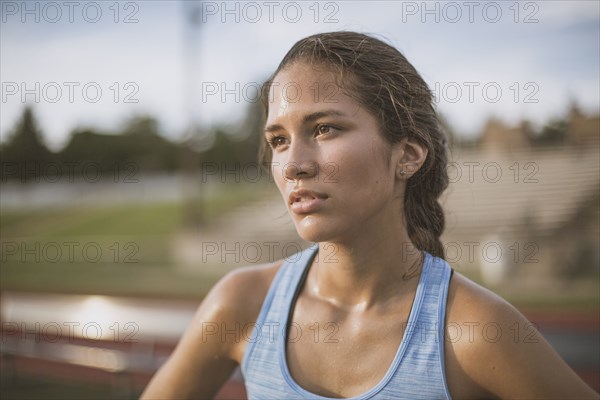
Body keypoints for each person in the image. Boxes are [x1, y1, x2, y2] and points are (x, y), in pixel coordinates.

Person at [141, 31, 598, 399]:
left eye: (324, 128)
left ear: (408, 155)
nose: (294, 163)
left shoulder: (475, 330)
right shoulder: (242, 303)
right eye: (279, 139)